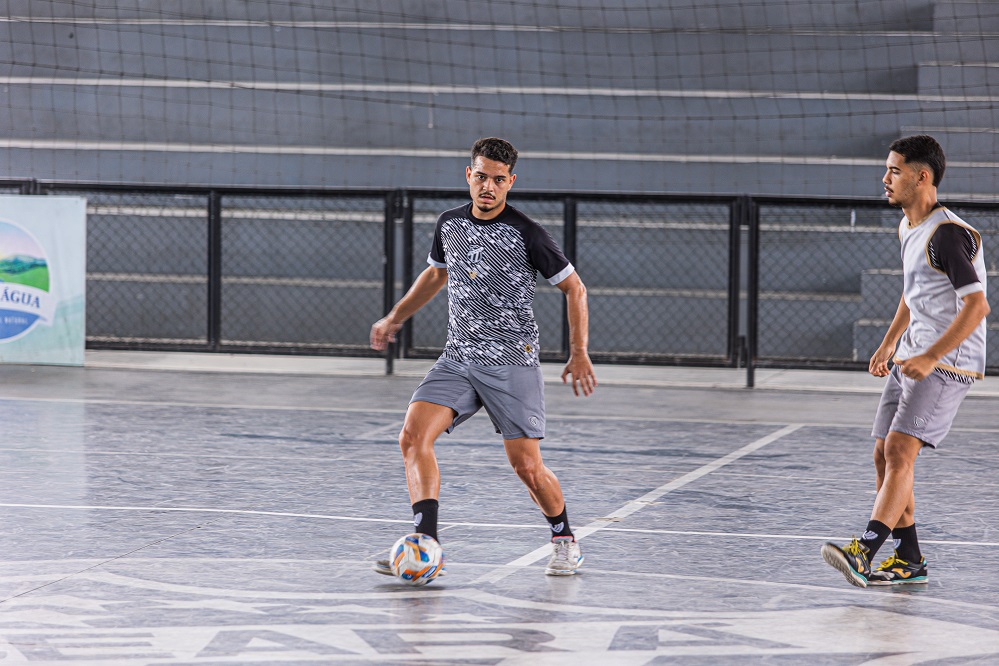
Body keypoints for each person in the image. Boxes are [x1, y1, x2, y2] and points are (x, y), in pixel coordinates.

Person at [370, 137, 597, 577]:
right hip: (458, 357)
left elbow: (575, 288)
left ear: (510, 182)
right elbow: (437, 273)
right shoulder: (449, 222)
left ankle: (565, 539)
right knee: (412, 437)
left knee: (527, 467)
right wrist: (394, 317)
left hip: (511, 360)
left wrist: (579, 352)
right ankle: (426, 543)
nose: (487, 187)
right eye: (480, 177)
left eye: (498, 180)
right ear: (468, 176)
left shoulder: (527, 232)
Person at [821, 135, 990, 587]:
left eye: (894, 170)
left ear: (922, 176)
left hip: (947, 360)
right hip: (914, 353)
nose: (885, 178)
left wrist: (931, 354)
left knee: (899, 451)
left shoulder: (948, 235)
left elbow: (976, 307)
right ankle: (910, 558)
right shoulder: (908, 227)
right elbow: (915, 292)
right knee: (883, 453)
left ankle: (864, 551)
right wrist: (890, 341)